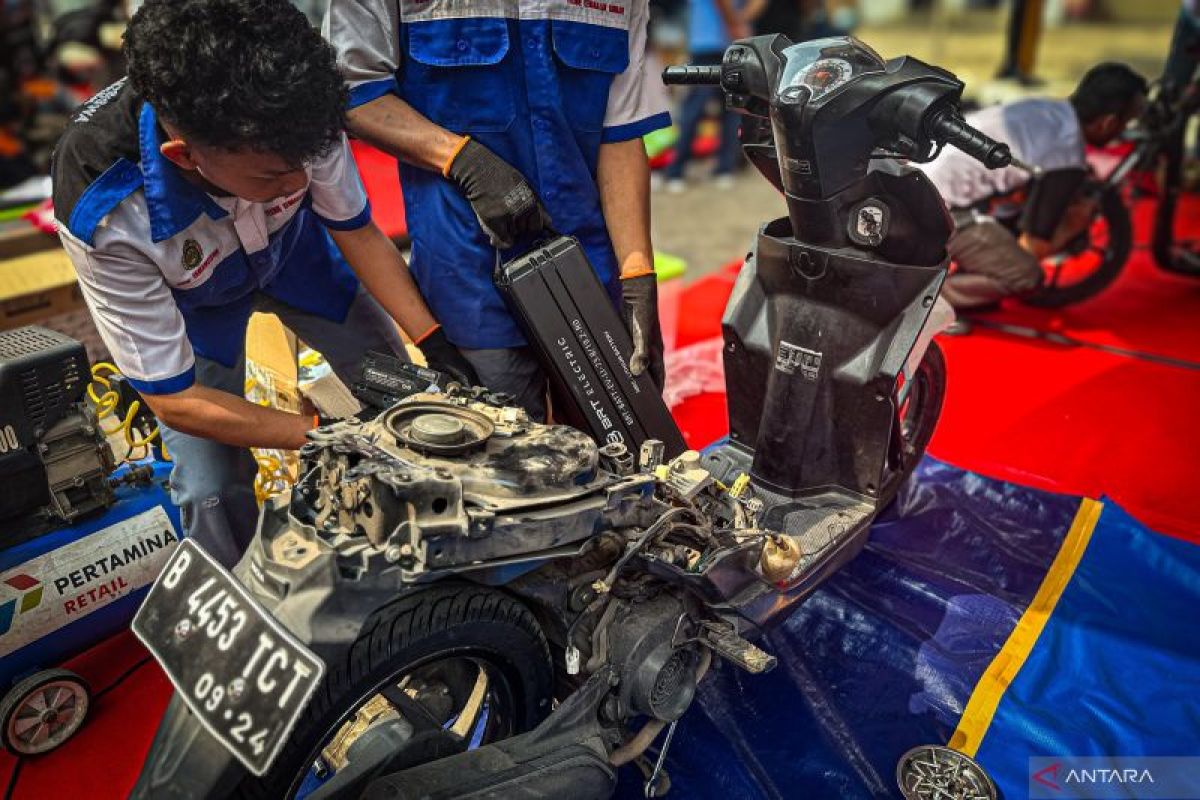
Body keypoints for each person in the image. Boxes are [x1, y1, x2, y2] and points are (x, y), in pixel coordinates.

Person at [52, 0, 477, 567]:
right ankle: (242, 595)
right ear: (186, 157)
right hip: (192, 305)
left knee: (396, 382)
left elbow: (358, 233)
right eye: (276, 173)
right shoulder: (103, 210)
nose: (302, 178)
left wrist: (434, 343)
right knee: (208, 489)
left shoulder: (296, 112)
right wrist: (322, 433)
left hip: (297, 251)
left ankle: (421, 544)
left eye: (308, 160)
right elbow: (174, 400)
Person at [324, 0, 671, 420]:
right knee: (506, 462)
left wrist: (637, 275)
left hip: (589, 274)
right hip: (470, 274)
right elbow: (356, 94)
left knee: (625, 449)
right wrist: (461, 159)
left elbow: (620, 131)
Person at [918, 62, 1147, 311]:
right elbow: (1034, 245)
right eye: (1126, 123)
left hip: (920, 183)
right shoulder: (1066, 156)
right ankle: (933, 302)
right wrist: (1073, 224)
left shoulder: (1044, 107)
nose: (1123, 131)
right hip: (942, 211)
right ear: (1108, 122)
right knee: (1026, 275)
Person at [664, 0, 748, 192]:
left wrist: (737, 23)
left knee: (707, 109)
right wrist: (737, 24)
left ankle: (681, 170)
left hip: (713, 42)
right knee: (715, 108)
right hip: (713, 43)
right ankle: (715, 169)